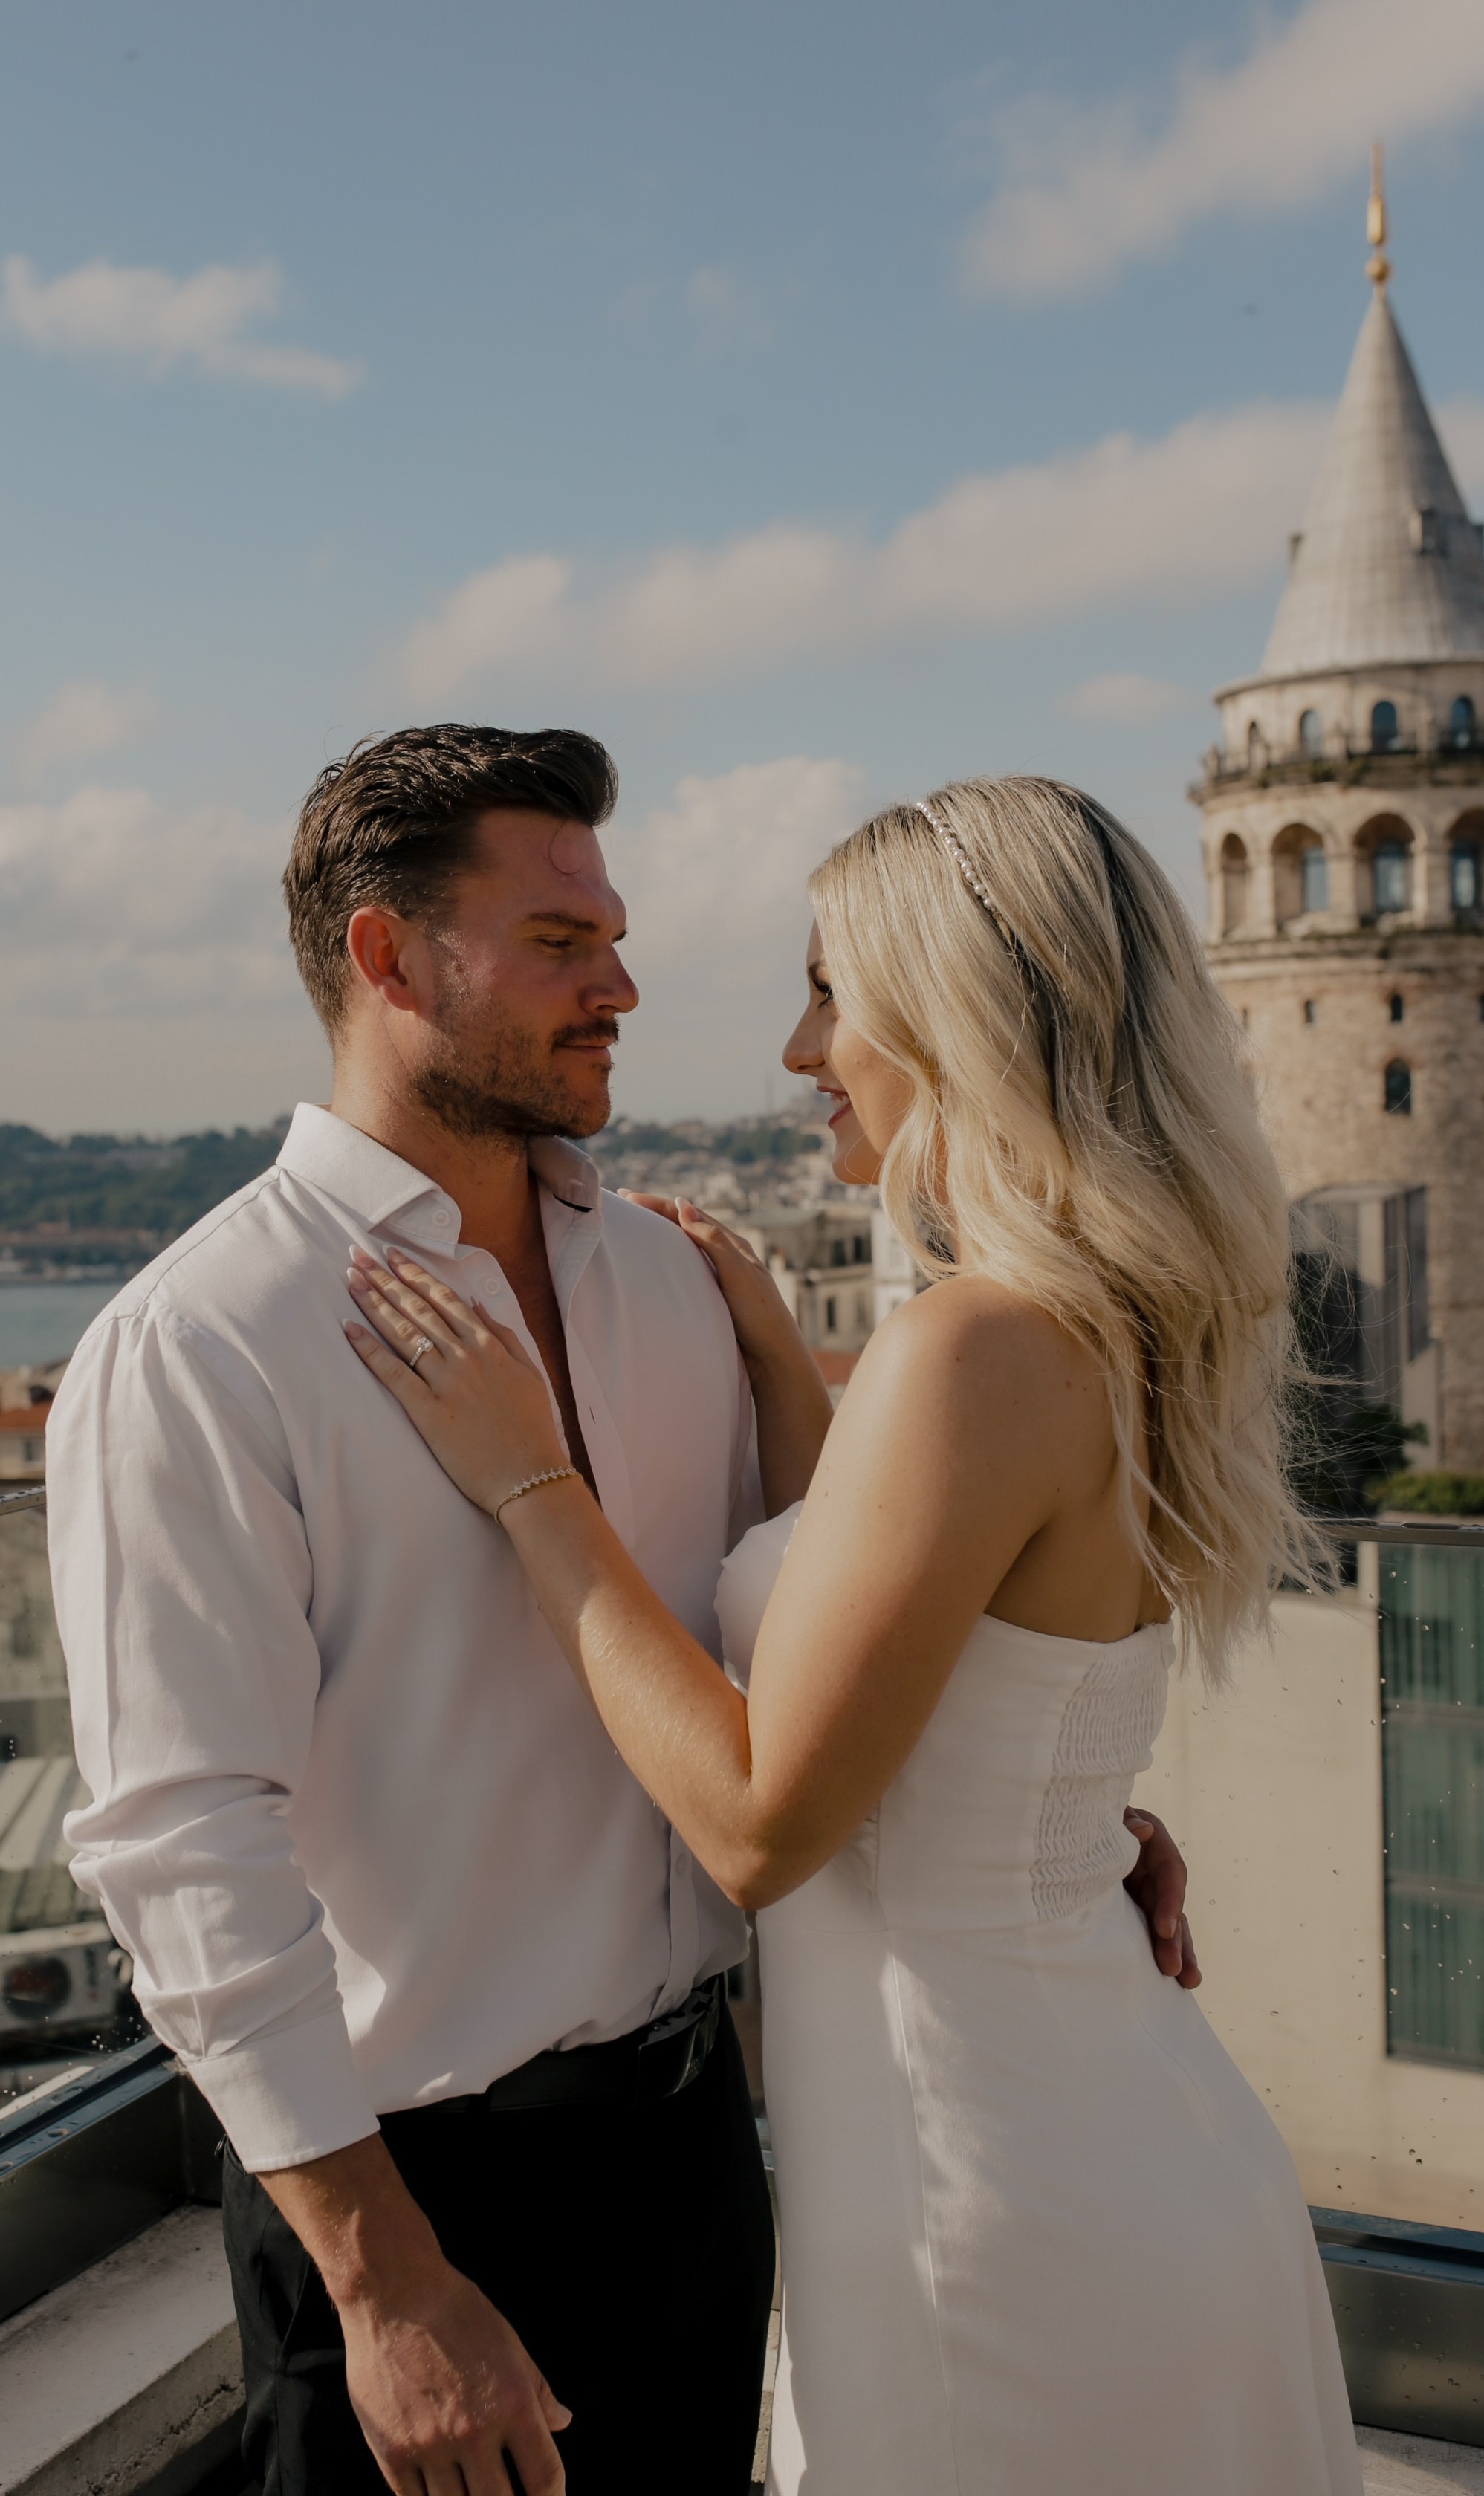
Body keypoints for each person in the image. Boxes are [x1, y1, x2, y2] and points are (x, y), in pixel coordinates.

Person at [48, 730, 1196, 2496]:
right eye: (562, 945)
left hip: (702, 2163)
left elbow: (806, 1657)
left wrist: (1033, 1810)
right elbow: (181, 1848)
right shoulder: (201, 1344)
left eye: (615, 936)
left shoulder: (676, 1287)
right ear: (386, 957)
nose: (625, 988)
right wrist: (384, 2279)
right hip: (415, 2200)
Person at [336, 774, 1364, 2496]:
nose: (805, 1049)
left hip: (986, 2201)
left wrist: (531, 1483)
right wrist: (773, 1370)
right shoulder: (1111, 1322)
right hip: (1111, 2140)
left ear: (953, 1020)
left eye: (833, 995)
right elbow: (926, 1626)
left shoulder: (971, 1348)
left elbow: (757, 1825)